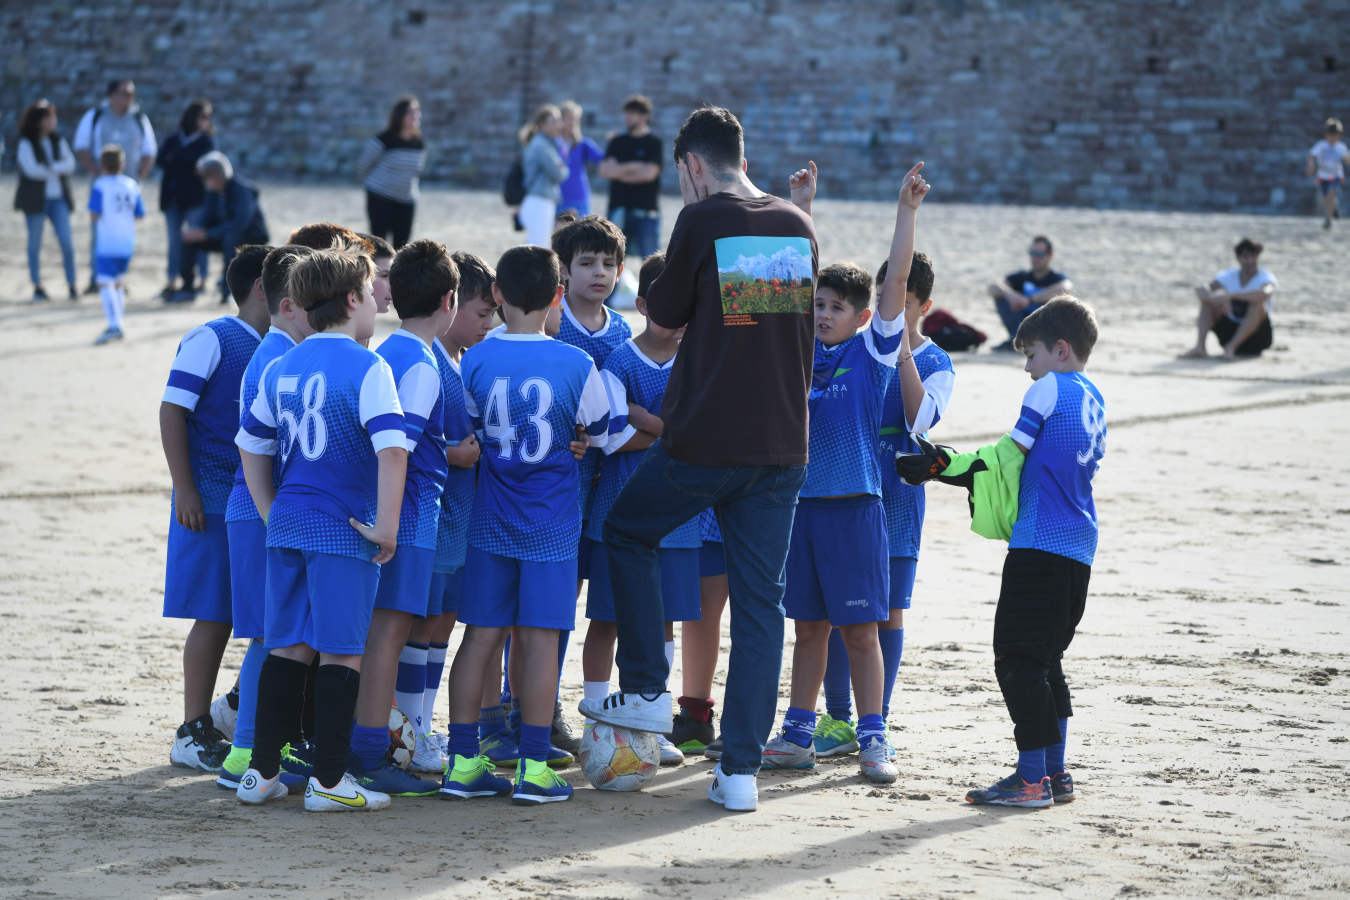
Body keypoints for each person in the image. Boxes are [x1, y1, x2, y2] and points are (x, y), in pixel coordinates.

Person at [578, 106, 817, 814]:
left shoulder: (702, 217)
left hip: (707, 437)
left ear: (689, 165)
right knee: (760, 606)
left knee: (628, 532)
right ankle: (739, 772)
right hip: (782, 442)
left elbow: (663, 315)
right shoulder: (797, 224)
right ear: (743, 156)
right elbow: (773, 323)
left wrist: (689, 215)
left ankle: (647, 687)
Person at [906, 297, 1105, 808]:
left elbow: (1005, 458)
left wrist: (944, 465)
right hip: (1080, 545)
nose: (1027, 367)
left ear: (1060, 350)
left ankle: (1032, 780)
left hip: (1040, 543)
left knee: (1017, 659)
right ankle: (1056, 773)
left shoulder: (1048, 388)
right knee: (1046, 660)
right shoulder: (1093, 395)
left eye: (1031, 355)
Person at [233, 247, 408, 812]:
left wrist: (270, 511)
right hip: (343, 529)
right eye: (371, 294)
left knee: (286, 647)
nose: (376, 305)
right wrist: (387, 527)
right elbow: (392, 451)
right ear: (353, 299)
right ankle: (330, 781)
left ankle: (261, 773)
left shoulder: (282, 364)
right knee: (341, 653)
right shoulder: (369, 366)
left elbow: (250, 444)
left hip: (288, 523)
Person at [442, 245, 609, 806]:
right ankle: (534, 767)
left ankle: (462, 761)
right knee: (539, 641)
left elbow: (468, 429)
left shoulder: (476, 359)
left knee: (480, 637)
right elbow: (603, 429)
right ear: (558, 294)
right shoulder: (576, 363)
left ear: (497, 294)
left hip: (490, 518)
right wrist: (578, 439)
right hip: (552, 523)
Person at [817, 251, 955, 758]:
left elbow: (920, 420)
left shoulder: (937, 362)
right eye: (883, 297)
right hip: (847, 489)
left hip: (897, 499)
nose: (893, 307)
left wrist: (902, 354)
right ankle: (837, 719)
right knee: (837, 610)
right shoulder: (854, 347)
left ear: (924, 307)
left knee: (889, 612)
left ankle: (879, 719)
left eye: (905, 302)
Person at [347, 239, 458, 800]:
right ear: (449, 301)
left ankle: (361, 743)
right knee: (387, 636)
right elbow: (399, 448)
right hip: (406, 521)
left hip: (380, 514)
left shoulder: (385, 351)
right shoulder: (421, 364)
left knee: (374, 635)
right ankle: (369, 753)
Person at [581, 252, 694, 767]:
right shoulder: (619, 360)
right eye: (670, 305)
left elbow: (698, 429)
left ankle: (655, 715)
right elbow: (610, 437)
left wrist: (642, 416)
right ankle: (597, 716)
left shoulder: (698, 359)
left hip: (678, 515)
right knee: (606, 620)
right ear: (644, 305)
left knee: (662, 620)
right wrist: (667, 431)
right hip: (618, 509)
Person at [159, 244, 269, 773]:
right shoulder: (214, 337)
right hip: (208, 499)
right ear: (263, 289)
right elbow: (172, 410)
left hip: (247, 503)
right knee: (213, 614)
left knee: (244, 614)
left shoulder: (275, 345)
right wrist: (185, 488)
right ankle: (192, 728)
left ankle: (231, 711)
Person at [216, 244, 315, 790]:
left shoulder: (281, 350)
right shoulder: (277, 358)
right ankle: (244, 751)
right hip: (260, 510)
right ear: (289, 304)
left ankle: (261, 745)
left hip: (260, 509)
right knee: (267, 636)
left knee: (274, 634)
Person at [400, 250, 495, 775]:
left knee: (440, 626)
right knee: (420, 627)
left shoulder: (455, 361)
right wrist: (453, 452)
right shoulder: (427, 359)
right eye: (481, 313)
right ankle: (408, 731)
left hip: (455, 521)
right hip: (430, 519)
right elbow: (402, 437)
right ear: (450, 303)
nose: (488, 324)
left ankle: (421, 725)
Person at [73, 79, 156, 295]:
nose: (128, 98)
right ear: (111, 95)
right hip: (102, 186)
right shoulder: (96, 116)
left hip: (127, 188)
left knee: (124, 233)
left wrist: (139, 176)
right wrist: (96, 172)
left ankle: (119, 278)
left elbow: (149, 150)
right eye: (124, 93)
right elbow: (81, 146)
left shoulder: (139, 118)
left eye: (131, 94)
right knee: (100, 231)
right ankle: (97, 278)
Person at [177, 151, 270, 303]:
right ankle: (187, 288)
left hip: (250, 236)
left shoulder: (242, 190)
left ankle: (228, 291)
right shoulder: (213, 193)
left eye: (205, 177)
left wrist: (207, 234)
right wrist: (196, 231)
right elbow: (206, 217)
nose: (203, 181)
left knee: (231, 240)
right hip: (223, 235)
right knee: (188, 239)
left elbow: (240, 224)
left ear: (215, 176)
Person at [14, 98, 78, 301]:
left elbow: (70, 164)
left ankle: (72, 284)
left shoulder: (58, 141)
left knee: (66, 241)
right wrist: (56, 169)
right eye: (49, 118)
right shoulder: (26, 143)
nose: (53, 122)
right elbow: (31, 170)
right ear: (38, 120)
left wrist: (51, 168)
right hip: (35, 202)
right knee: (34, 244)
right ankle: (37, 285)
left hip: (58, 199)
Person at [1180, 237, 1276, 360]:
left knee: (1257, 305)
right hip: (1229, 332)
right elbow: (1203, 289)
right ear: (1238, 258)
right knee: (1208, 303)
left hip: (1258, 338)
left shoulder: (1266, 277)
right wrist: (1215, 299)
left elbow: (1265, 293)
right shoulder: (1229, 276)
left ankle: (1231, 347)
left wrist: (1231, 296)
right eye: (1246, 257)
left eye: (1253, 256)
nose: (1250, 260)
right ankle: (1200, 347)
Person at [156, 99, 215, 299]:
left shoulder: (206, 142)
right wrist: (186, 163)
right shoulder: (174, 138)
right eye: (203, 117)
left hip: (196, 199)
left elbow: (205, 167)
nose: (207, 121)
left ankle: (202, 279)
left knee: (198, 238)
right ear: (193, 117)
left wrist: (178, 161)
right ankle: (172, 280)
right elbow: (161, 160)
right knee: (174, 241)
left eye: (208, 117)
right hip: (172, 198)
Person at [88, 145, 146, 345]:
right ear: (122, 165)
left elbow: (94, 214)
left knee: (105, 282)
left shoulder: (100, 185)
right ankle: (118, 321)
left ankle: (115, 325)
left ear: (102, 165)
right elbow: (140, 214)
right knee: (119, 282)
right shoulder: (132, 184)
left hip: (108, 241)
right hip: (127, 241)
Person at [358, 96, 426, 249]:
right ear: (400, 115)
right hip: (380, 198)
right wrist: (377, 186)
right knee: (379, 247)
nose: (415, 115)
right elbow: (363, 166)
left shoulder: (419, 143)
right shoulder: (383, 140)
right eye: (410, 112)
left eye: (417, 111)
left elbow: (417, 172)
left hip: (406, 201)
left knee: (402, 248)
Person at [600, 95, 662, 260]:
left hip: (645, 213)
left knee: (652, 262)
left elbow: (649, 174)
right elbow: (605, 171)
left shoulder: (653, 143)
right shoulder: (617, 141)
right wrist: (635, 166)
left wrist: (619, 171)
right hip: (618, 210)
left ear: (644, 117)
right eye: (627, 113)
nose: (627, 117)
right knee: (612, 259)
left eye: (632, 114)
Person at [986, 235, 1072, 351]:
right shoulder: (1022, 277)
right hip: (1020, 323)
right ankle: (1017, 339)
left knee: (1059, 301)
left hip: (1044, 327)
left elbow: (1065, 288)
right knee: (1001, 297)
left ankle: (1033, 342)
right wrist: (1010, 294)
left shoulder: (1056, 278)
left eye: (1039, 254)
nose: (1035, 258)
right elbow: (993, 287)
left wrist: (1030, 300)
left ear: (1049, 255)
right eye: (1032, 253)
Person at [518, 105, 569, 247]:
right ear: (542, 125)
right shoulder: (542, 146)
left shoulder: (544, 144)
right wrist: (564, 169)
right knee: (539, 247)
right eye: (554, 121)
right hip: (539, 202)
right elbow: (558, 174)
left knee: (539, 245)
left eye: (559, 120)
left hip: (539, 201)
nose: (559, 125)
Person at [556, 100, 606, 217]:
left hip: (578, 200)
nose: (572, 122)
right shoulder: (552, 144)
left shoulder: (583, 145)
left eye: (576, 119)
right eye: (569, 118)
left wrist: (612, 144)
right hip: (557, 199)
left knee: (581, 228)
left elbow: (603, 158)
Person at [1306, 117, 1348, 229]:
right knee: (1326, 198)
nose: (1332, 138)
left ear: (1339, 136)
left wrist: (1347, 159)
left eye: (1335, 135)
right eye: (1330, 135)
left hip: (1335, 176)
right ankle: (1334, 208)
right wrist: (1311, 166)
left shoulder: (1341, 147)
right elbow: (1312, 156)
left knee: (1331, 193)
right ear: (1326, 135)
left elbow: (1346, 159)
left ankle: (1328, 220)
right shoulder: (1321, 145)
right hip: (1323, 176)